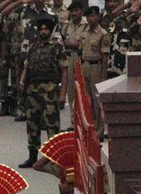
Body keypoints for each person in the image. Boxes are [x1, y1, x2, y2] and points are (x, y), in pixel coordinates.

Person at [17, 14, 67, 168]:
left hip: (50, 91)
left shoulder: (57, 47)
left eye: (46, 29)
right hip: (33, 91)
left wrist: (62, 94)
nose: (43, 31)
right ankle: (32, 156)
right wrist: (22, 81)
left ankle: (54, 158)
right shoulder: (33, 46)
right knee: (32, 125)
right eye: (41, 29)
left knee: (52, 126)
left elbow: (64, 70)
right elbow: (26, 66)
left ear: (50, 31)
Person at [79, 5, 110, 139]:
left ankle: (99, 130)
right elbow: (81, 50)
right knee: (87, 99)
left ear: (98, 16)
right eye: (88, 16)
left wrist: (103, 76)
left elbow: (105, 57)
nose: (90, 19)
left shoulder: (103, 34)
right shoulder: (85, 31)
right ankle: (90, 128)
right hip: (85, 65)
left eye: (93, 16)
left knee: (97, 100)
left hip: (96, 67)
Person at [60, 0, 86, 128]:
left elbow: (87, 44)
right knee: (71, 90)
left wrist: (74, 44)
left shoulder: (86, 25)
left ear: (81, 11)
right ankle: (73, 122)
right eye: (72, 11)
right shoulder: (66, 26)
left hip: (80, 58)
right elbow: (62, 40)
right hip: (69, 58)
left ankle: (83, 120)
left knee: (81, 90)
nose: (74, 13)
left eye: (77, 10)